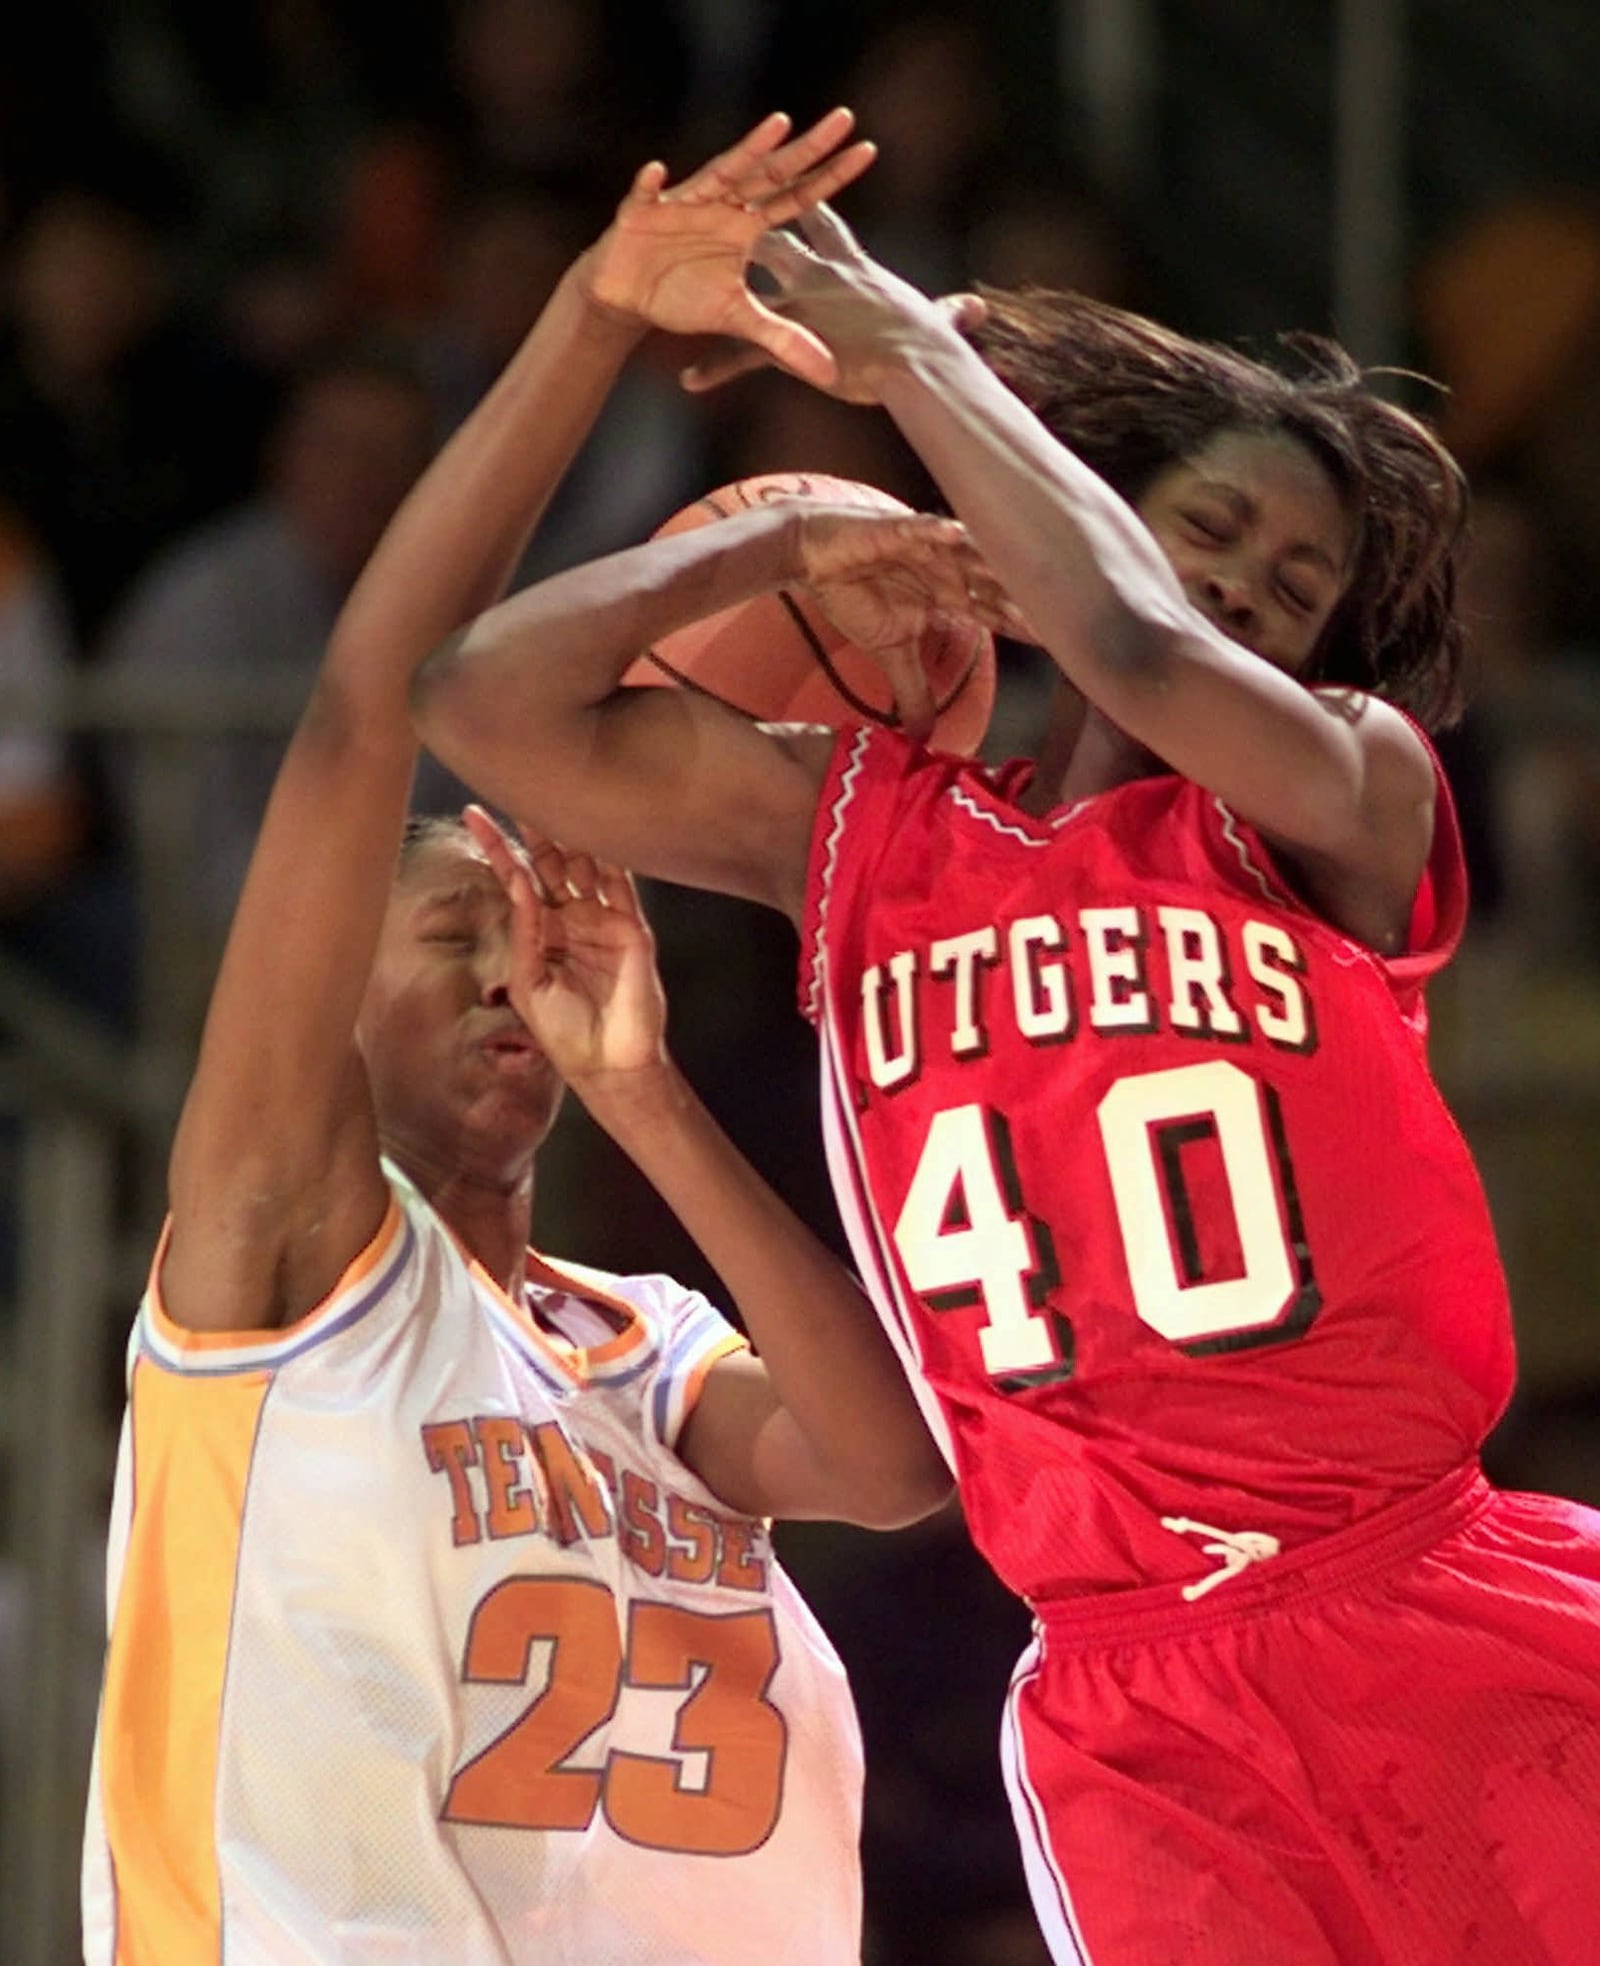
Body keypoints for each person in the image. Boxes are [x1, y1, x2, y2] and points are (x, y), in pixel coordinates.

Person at [409, 183, 1600, 1962]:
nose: (1244, 588)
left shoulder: (1352, 791)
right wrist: (777, 551)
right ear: (1097, 513)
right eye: (1212, 527)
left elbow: (1133, 647)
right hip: (1137, 1692)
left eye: (1294, 584)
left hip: (1420, 1577)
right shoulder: (868, 833)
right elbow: (483, 701)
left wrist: (906, 354)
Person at [80, 112, 975, 1966]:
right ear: (320, 998)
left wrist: (641, 1092)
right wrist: (605, 337)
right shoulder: (282, 1258)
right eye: (446, 929)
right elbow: (359, 717)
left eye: (535, 919)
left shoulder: (645, 1344)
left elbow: (893, 1469)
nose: (510, 966)